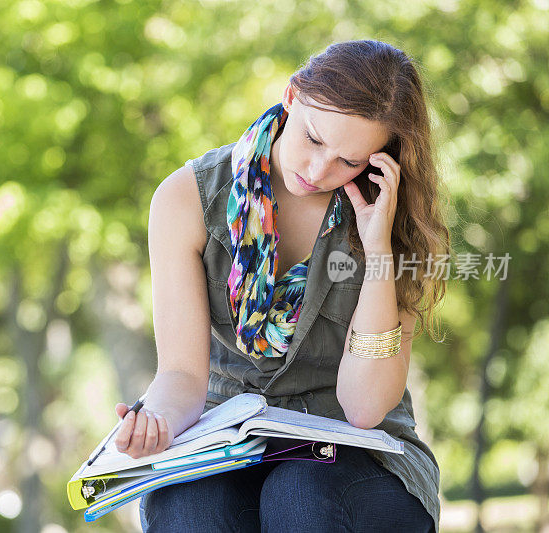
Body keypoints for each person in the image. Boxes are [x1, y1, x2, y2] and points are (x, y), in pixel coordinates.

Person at [113, 40, 450, 532]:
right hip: (227, 445)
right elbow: (183, 375)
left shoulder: (392, 222)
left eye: (349, 161)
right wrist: (155, 423)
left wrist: (379, 252)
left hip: (356, 457)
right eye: (313, 140)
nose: (318, 172)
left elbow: (365, 407)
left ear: (380, 161)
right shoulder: (188, 199)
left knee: (300, 492)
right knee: (188, 509)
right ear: (292, 97)